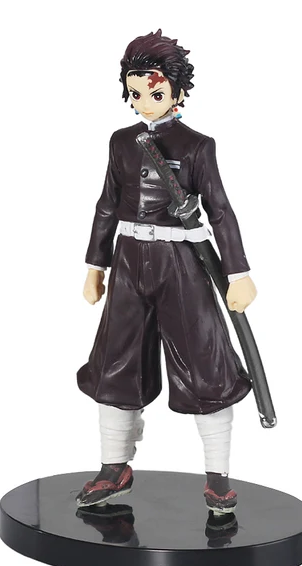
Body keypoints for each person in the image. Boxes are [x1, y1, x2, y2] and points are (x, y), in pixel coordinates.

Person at [76, 30, 257, 514]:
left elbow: (220, 210)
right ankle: (114, 467)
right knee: (116, 363)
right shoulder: (121, 142)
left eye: (154, 93)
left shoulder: (197, 146)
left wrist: (238, 273)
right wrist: (95, 265)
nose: (144, 102)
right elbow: (107, 204)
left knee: (205, 363)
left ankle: (218, 477)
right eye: (135, 93)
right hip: (129, 262)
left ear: (177, 91)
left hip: (181, 266)